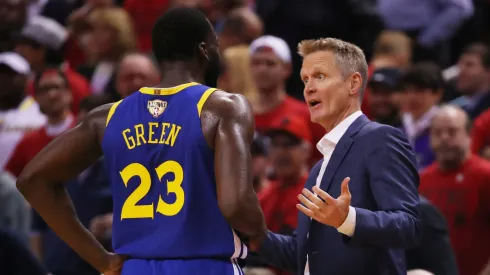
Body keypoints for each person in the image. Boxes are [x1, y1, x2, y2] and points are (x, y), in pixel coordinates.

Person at [17, 7, 266, 275]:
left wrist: (102, 260)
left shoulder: (108, 116)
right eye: (215, 46)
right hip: (204, 265)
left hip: (136, 267)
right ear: (204, 50)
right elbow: (235, 203)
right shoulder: (223, 107)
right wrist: (261, 233)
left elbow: (32, 180)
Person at [253, 38, 421, 275]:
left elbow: (408, 225)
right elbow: (303, 255)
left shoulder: (380, 138)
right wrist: (253, 235)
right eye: (305, 79)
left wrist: (348, 219)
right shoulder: (318, 167)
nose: (308, 88)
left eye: (320, 76)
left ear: (353, 84)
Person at [419, 105, 490, 275]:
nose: (444, 138)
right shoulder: (421, 181)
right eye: (437, 133)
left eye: (452, 132)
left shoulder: (485, 175)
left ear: (469, 135)